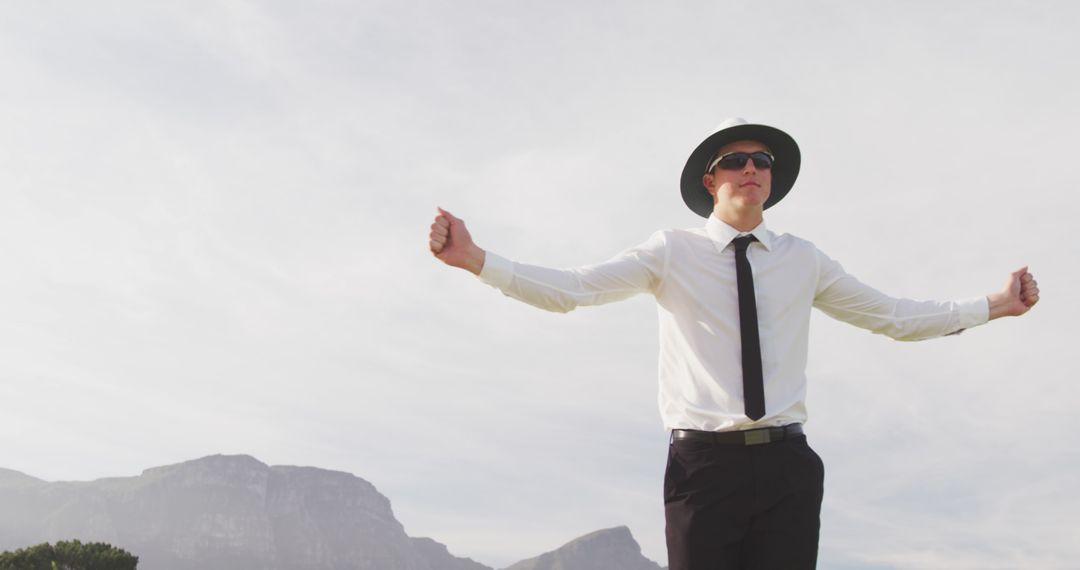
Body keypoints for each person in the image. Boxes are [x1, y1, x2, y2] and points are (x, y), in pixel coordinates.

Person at [427, 117, 1039, 570]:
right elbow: (574, 290)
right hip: (704, 467)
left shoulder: (805, 261)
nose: (751, 167)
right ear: (710, 180)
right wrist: (476, 260)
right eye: (736, 159)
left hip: (788, 467)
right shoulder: (671, 251)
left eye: (762, 160)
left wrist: (995, 305)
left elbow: (895, 317)